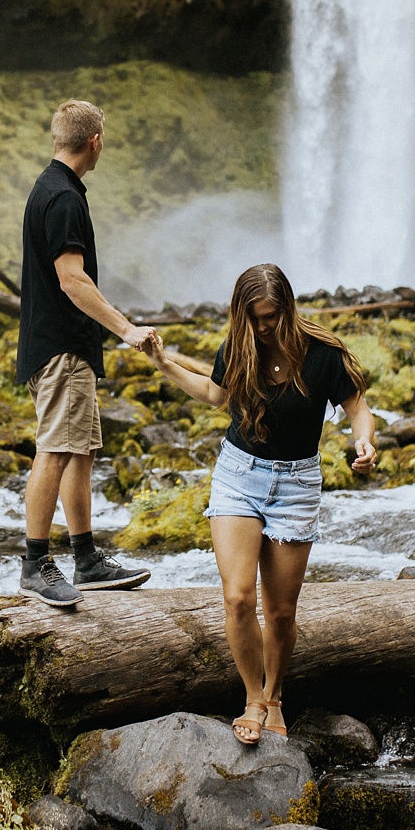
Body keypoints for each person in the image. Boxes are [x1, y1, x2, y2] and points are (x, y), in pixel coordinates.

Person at [140, 264, 377, 743]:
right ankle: (252, 696)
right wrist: (164, 364)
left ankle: (275, 696)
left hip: (296, 484)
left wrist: (364, 443)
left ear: (287, 307)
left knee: (281, 612)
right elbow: (215, 394)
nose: (264, 326)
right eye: (255, 317)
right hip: (238, 476)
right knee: (237, 597)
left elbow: (357, 408)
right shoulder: (239, 347)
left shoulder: (323, 354)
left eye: (271, 315)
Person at [15, 99, 155, 608]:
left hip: (60, 346)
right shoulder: (65, 199)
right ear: (94, 141)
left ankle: (87, 558)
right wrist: (126, 329)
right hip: (61, 348)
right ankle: (35, 564)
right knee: (54, 449)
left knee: (80, 449)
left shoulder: (50, 188)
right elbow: (71, 280)